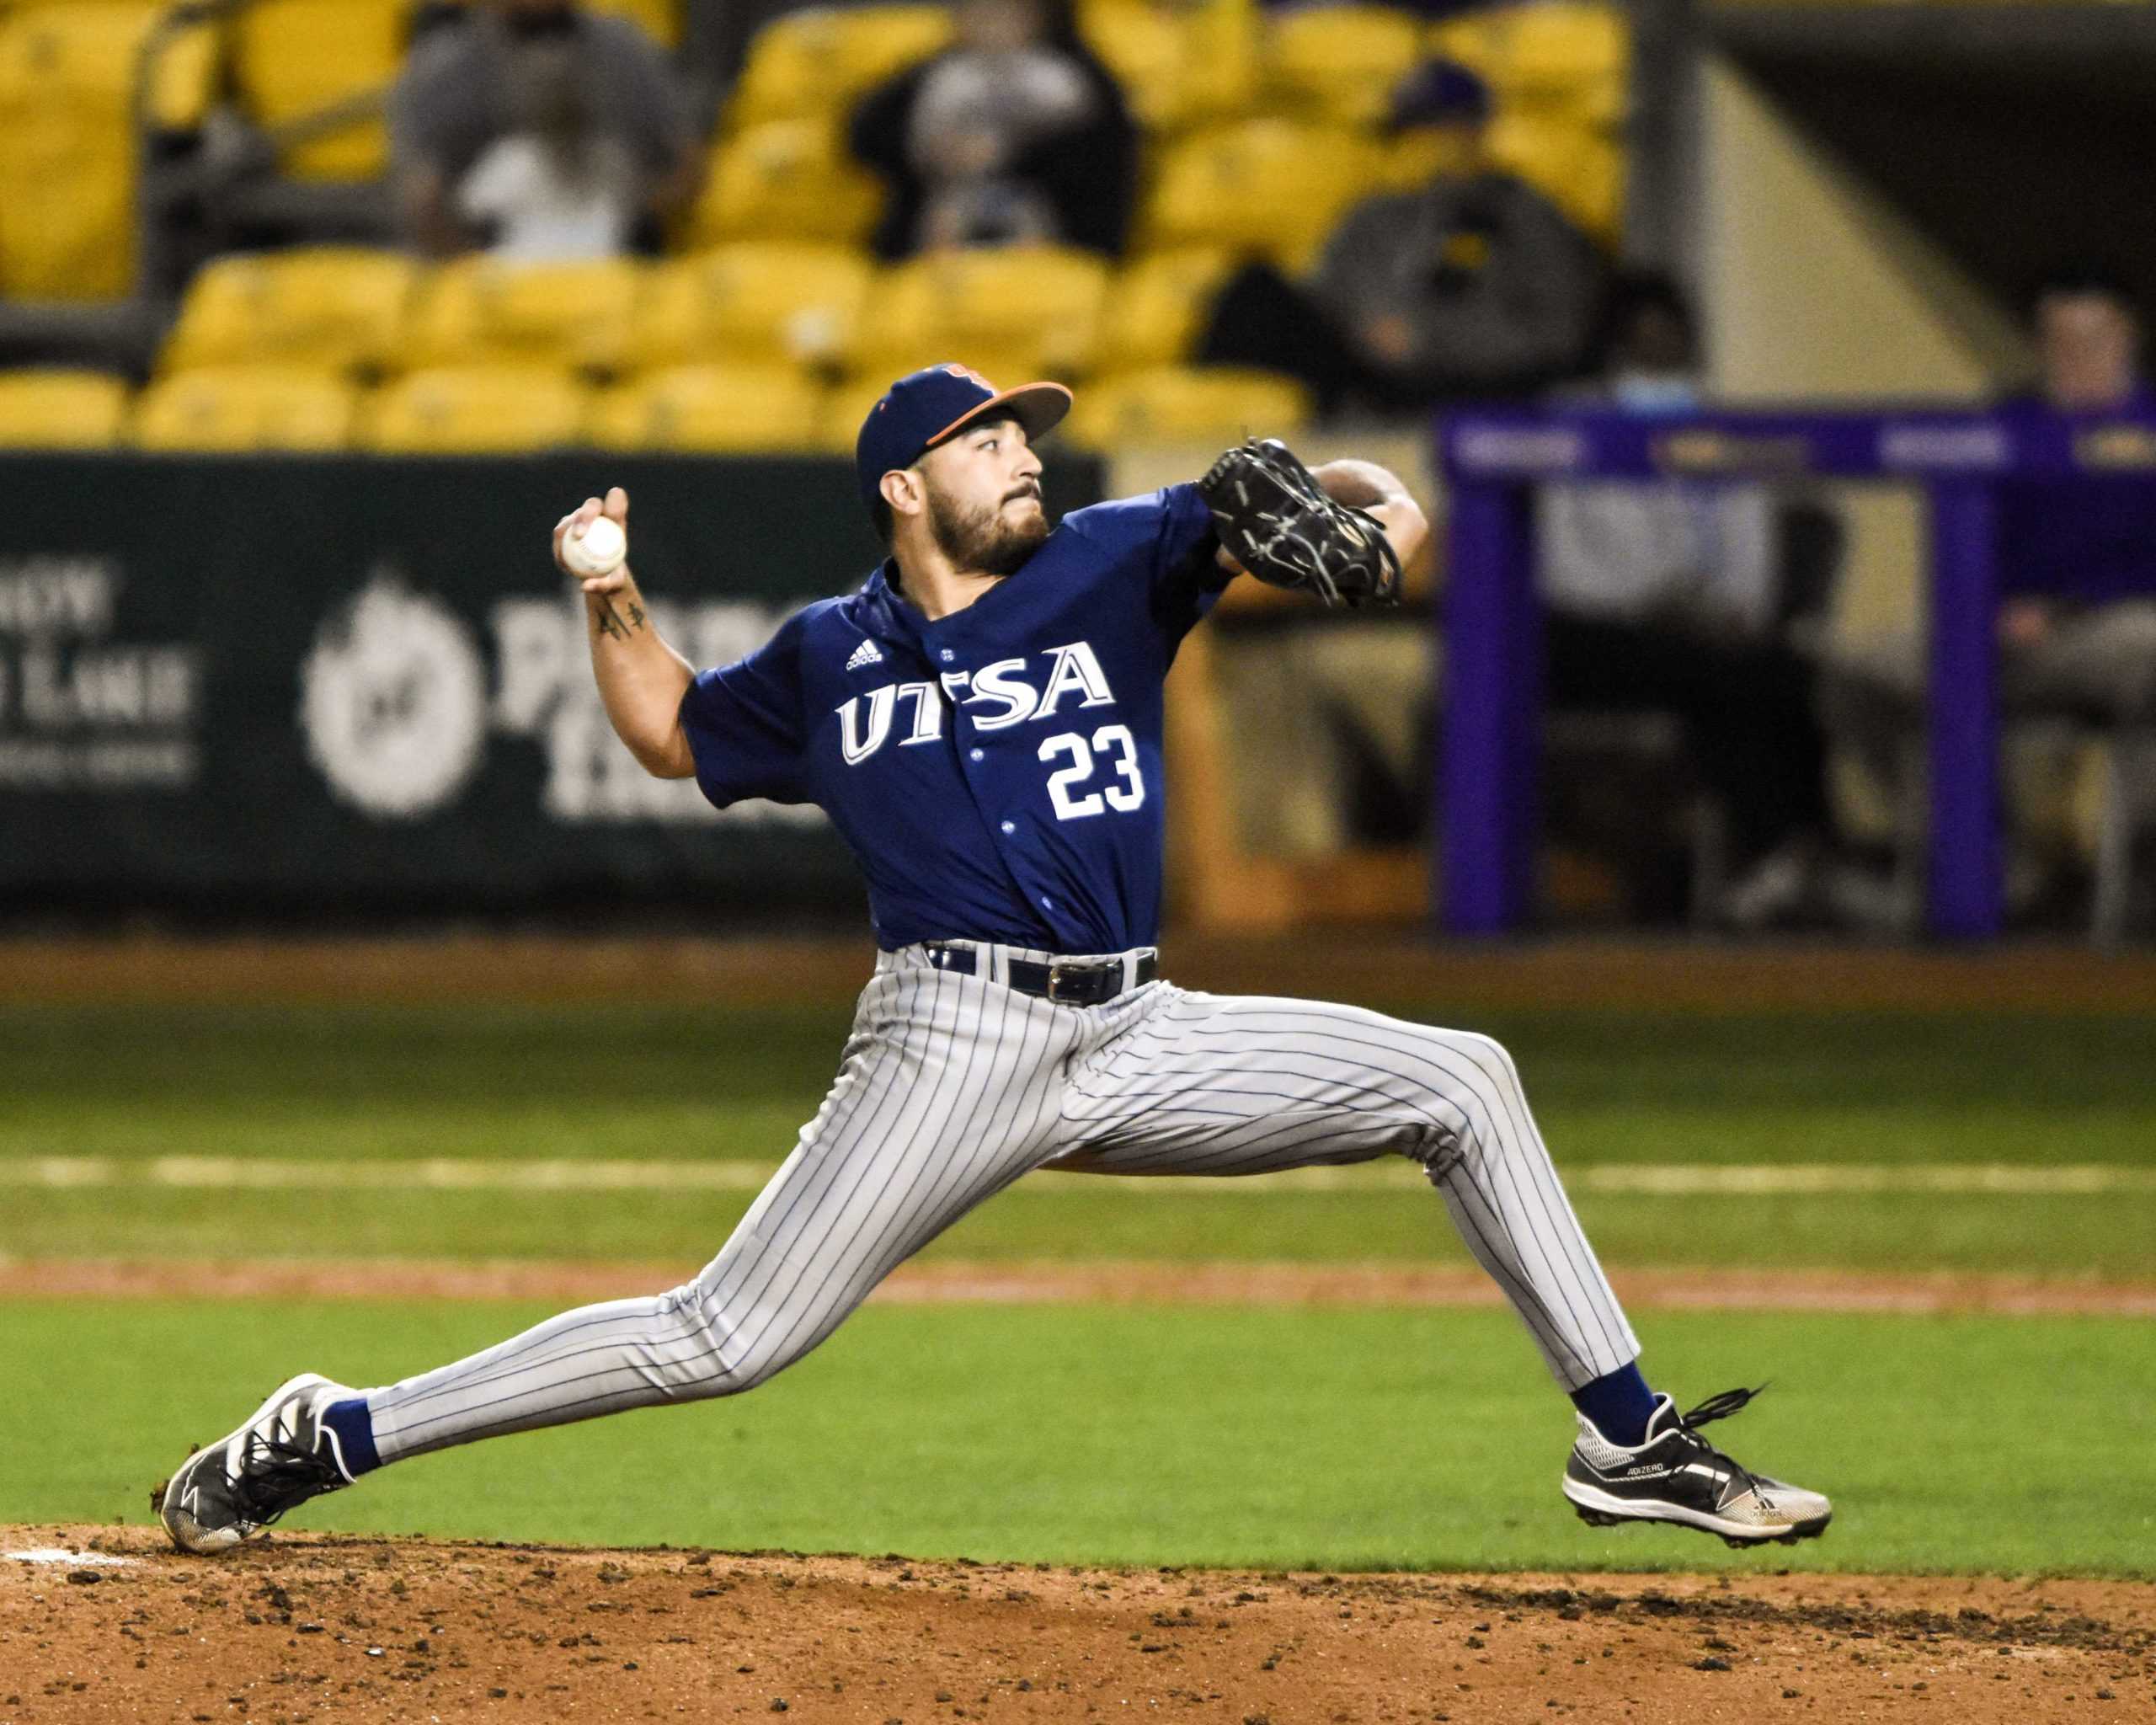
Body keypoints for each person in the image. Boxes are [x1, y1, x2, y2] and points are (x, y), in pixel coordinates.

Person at [154, 363, 1831, 1558]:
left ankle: (1626, 1438)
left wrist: (1362, 512)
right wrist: (608, 591)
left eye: (1028, 432)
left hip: (1138, 1021)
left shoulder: (1116, 559)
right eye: (985, 439)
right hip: (943, 1038)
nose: (1024, 454)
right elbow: (669, 733)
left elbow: (1380, 519)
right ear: (904, 484)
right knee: (726, 1335)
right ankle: (338, 1426)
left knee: (1462, 1078)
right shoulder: (826, 654)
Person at [1822, 266, 2156, 912]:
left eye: (2090, 341)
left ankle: (2141, 860)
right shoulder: (2010, 420)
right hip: (1994, 632)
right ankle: (1980, 845)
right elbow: (1963, 536)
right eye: (2059, 341)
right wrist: (1988, 606)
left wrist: (2065, 608)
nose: (2074, 357)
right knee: (1856, 669)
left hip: (2106, 629)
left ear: (2127, 336)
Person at [1537, 274, 1841, 928]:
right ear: (1613, 351)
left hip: (1707, 636)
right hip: (1598, 633)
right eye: (1645, 349)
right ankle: (1774, 854)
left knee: (1781, 674)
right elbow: (1562, 569)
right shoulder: (1569, 427)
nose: (1660, 366)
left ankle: (1802, 857)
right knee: (1726, 677)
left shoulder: (1717, 430)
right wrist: (1660, 603)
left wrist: (1732, 611)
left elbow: (1751, 547)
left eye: (1672, 349)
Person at [1198, 59, 1604, 417]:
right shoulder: (1375, 213)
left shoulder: (1526, 213)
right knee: (1252, 292)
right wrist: (1369, 328)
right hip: (1379, 383)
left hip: (1491, 387)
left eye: (1439, 130)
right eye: (1410, 133)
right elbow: (1333, 298)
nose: (1424, 147)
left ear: (1476, 131)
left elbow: (1559, 334)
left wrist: (1433, 341)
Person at [390, 0, 702, 259]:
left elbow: (686, 166)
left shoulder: (623, 49)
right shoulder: (445, 67)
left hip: (618, 277)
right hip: (490, 286)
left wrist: (625, 210)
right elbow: (423, 198)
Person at [846, 0, 1138, 260]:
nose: (992, 23)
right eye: (979, 10)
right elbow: (864, 136)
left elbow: (1103, 157)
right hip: (944, 225)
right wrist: (937, 152)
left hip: (1052, 238)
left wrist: (1009, 154)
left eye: (1007, 11)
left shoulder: (1072, 76)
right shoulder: (943, 72)